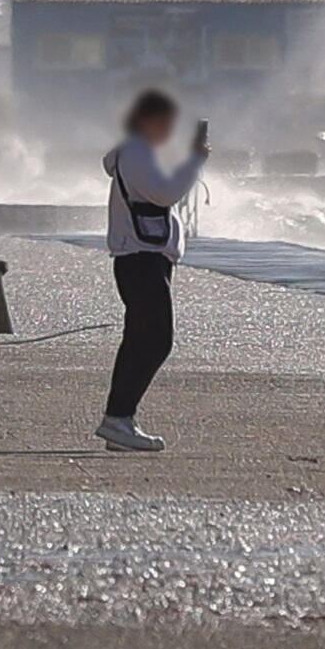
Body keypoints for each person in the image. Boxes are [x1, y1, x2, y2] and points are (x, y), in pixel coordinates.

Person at [98, 86, 206, 452]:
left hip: (146, 257)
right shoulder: (136, 152)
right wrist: (192, 162)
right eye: (165, 122)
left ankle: (119, 421)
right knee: (155, 339)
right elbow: (164, 194)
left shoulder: (141, 152)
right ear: (146, 120)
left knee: (142, 339)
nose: (170, 130)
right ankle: (118, 418)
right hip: (140, 258)